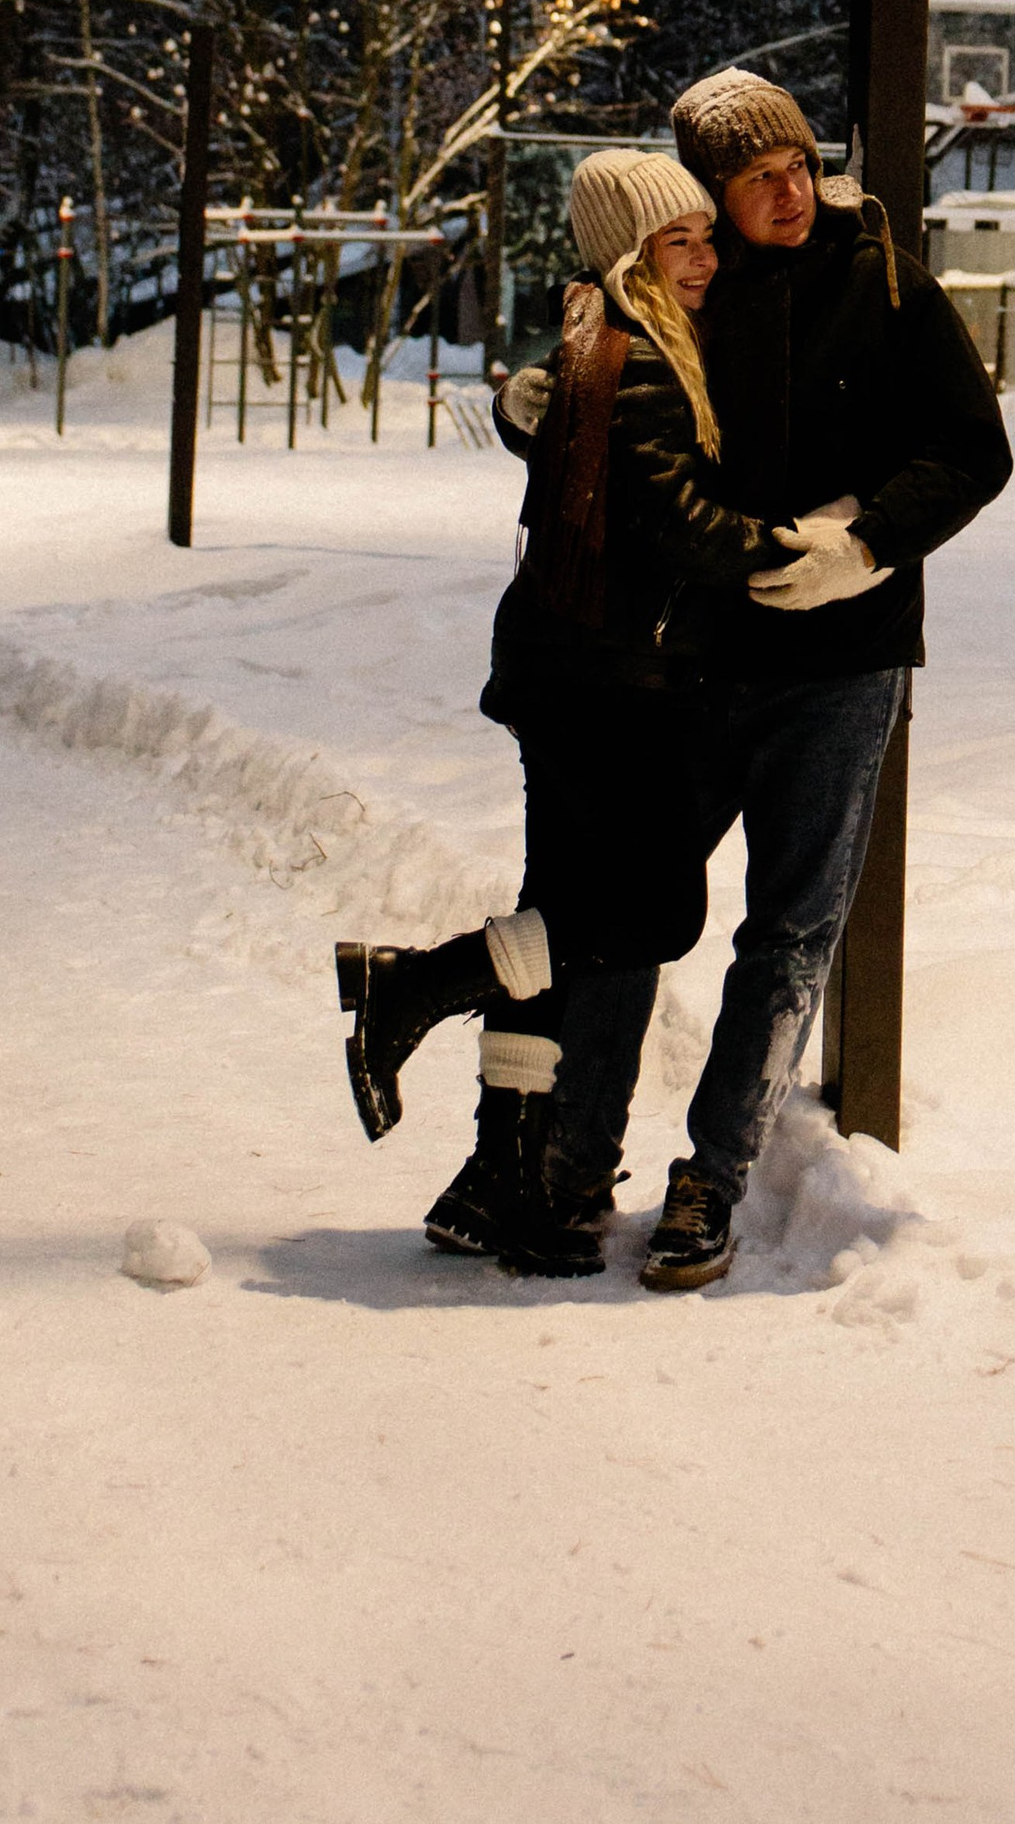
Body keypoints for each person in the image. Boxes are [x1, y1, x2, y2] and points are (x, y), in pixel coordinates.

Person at [557, 68, 1013, 1293]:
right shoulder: (681, 282)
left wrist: (865, 541)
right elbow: (601, 387)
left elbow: (974, 448)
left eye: (798, 166)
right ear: (708, 192)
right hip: (690, 658)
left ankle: (714, 1170)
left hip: (841, 659)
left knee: (792, 924)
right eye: (756, 177)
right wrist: (538, 402)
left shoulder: (886, 281)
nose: (788, 191)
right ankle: (568, 1158)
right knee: (625, 907)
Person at [333, 149, 772, 1277]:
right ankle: (416, 984)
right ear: (630, 252)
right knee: (651, 915)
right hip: (603, 682)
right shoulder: (627, 354)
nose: (706, 260)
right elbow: (674, 515)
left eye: (704, 239)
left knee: (559, 922)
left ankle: (503, 1177)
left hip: (578, 669)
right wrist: (791, 551)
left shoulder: (603, 337)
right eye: (681, 242)